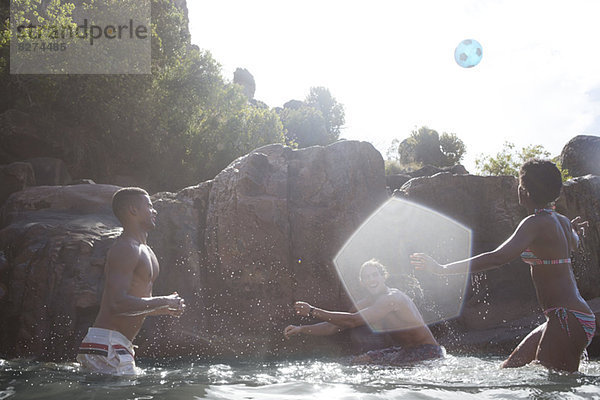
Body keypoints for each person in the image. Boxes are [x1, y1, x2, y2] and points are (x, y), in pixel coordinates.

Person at [410, 159, 594, 372]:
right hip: (570, 317)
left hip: (565, 318)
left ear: (524, 191)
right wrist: (573, 230)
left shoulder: (534, 223)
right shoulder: (561, 221)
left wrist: (442, 269)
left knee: (548, 388)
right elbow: (574, 243)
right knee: (509, 368)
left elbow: (497, 257)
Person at [77, 187, 186, 376]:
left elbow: (136, 302)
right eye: (149, 206)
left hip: (117, 346)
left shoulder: (146, 251)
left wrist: (163, 309)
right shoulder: (125, 248)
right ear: (133, 210)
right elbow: (117, 303)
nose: (154, 211)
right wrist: (164, 301)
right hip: (108, 344)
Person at [283, 259, 444, 365]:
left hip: (427, 351)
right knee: (359, 361)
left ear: (384, 276)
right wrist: (302, 329)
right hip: (405, 351)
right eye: (367, 277)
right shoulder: (365, 303)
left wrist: (312, 311)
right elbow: (334, 326)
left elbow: (352, 321)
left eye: (375, 275)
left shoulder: (392, 298)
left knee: (372, 365)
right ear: (362, 282)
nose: (372, 280)